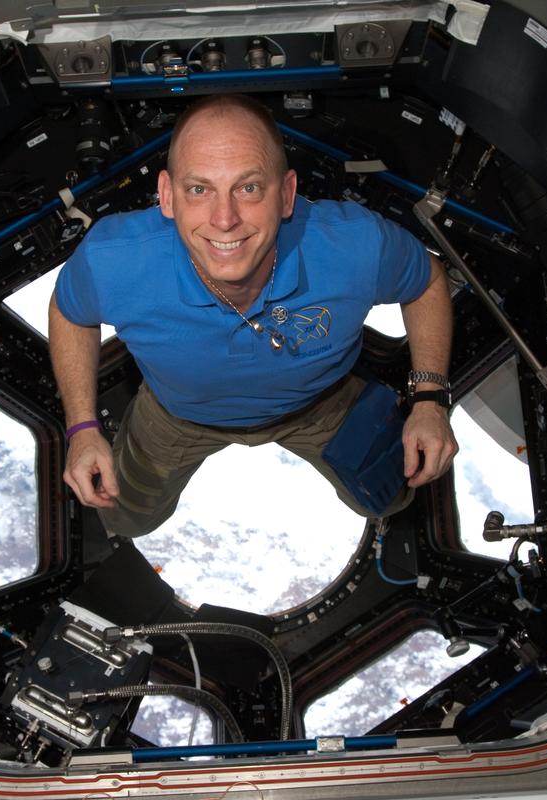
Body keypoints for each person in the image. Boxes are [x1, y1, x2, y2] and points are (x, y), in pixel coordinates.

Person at [48, 94, 458, 537]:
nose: (225, 219)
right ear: (167, 196)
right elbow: (70, 313)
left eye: (248, 188)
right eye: (199, 189)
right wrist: (83, 427)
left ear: (286, 194)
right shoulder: (114, 260)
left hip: (319, 404)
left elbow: (428, 281)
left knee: (391, 495)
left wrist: (431, 400)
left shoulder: (356, 245)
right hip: (176, 415)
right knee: (126, 517)